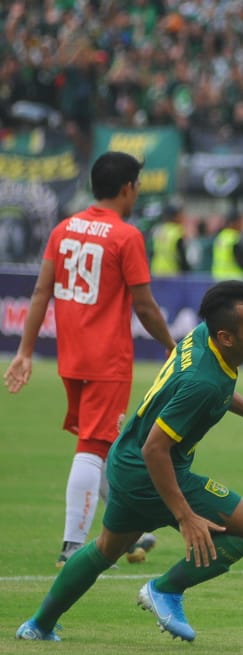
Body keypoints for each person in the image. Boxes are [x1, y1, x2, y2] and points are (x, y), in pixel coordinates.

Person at [15, 280, 243, 642]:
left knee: (107, 548)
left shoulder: (204, 337)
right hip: (150, 468)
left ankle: (38, 625)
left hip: (125, 457)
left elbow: (211, 389)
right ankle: (165, 589)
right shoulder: (204, 382)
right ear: (227, 337)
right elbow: (157, 448)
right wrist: (185, 517)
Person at [4, 150, 175, 568]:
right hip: (107, 359)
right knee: (93, 445)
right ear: (127, 188)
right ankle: (71, 545)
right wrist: (173, 346)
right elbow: (146, 306)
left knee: (105, 444)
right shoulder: (126, 236)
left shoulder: (64, 228)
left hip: (72, 355)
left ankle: (130, 531)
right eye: (136, 185)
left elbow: (42, 291)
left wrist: (25, 351)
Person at [211, 209, 243, 280]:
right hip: (235, 281)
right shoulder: (236, 239)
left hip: (218, 280)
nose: (242, 225)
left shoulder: (220, 237)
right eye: (241, 222)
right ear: (235, 222)